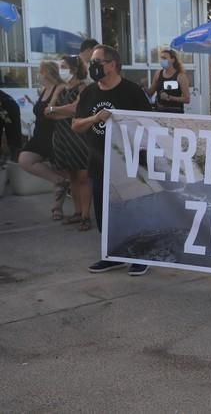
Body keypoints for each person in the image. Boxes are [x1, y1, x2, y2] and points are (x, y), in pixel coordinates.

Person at [72, 45, 153, 275]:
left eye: (97, 61)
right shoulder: (89, 93)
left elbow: (149, 124)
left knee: (134, 210)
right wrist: (94, 118)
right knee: (105, 214)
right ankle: (113, 255)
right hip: (99, 162)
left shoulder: (132, 92)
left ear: (112, 64)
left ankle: (141, 255)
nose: (93, 66)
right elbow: (76, 125)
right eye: (92, 62)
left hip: (129, 162)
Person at [45, 55, 91, 231]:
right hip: (63, 136)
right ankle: (77, 213)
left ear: (73, 68)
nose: (60, 69)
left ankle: (86, 216)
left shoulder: (83, 87)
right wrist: (56, 106)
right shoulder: (61, 88)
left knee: (83, 177)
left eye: (63, 66)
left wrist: (56, 110)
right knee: (72, 176)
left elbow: (76, 109)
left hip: (79, 136)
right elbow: (46, 112)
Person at [18, 61, 69, 220]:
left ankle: (57, 208)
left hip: (55, 134)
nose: (37, 75)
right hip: (40, 135)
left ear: (46, 72)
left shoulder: (60, 89)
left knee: (60, 167)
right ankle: (58, 181)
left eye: (39, 72)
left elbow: (58, 111)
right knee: (25, 159)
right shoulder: (44, 90)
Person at [145, 49, 190, 113]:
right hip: (159, 111)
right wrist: (142, 87)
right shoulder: (158, 73)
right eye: (161, 58)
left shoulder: (180, 76)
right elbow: (150, 92)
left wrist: (169, 97)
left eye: (164, 58)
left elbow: (187, 99)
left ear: (173, 60)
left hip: (175, 112)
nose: (162, 60)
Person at [0, 89, 22, 162]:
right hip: (6, 106)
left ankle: (15, 160)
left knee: (14, 136)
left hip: (9, 106)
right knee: (13, 135)